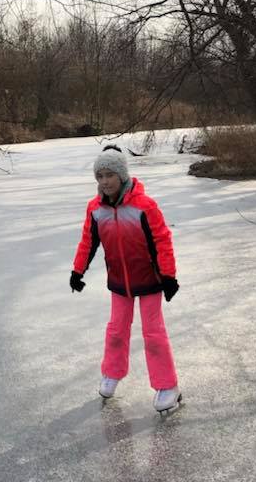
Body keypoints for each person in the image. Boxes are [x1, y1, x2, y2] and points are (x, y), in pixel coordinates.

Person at [69, 144, 182, 412]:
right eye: (100, 176)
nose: (105, 182)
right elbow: (88, 241)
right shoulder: (96, 209)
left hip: (149, 280)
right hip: (120, 282)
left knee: (153, 333)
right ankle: (112, 372)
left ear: (122, 175)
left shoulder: (144, 206)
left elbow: (162, 240)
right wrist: (77, 271)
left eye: (109, 175)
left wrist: (168, 276)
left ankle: (168, 385)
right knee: (116, 330)